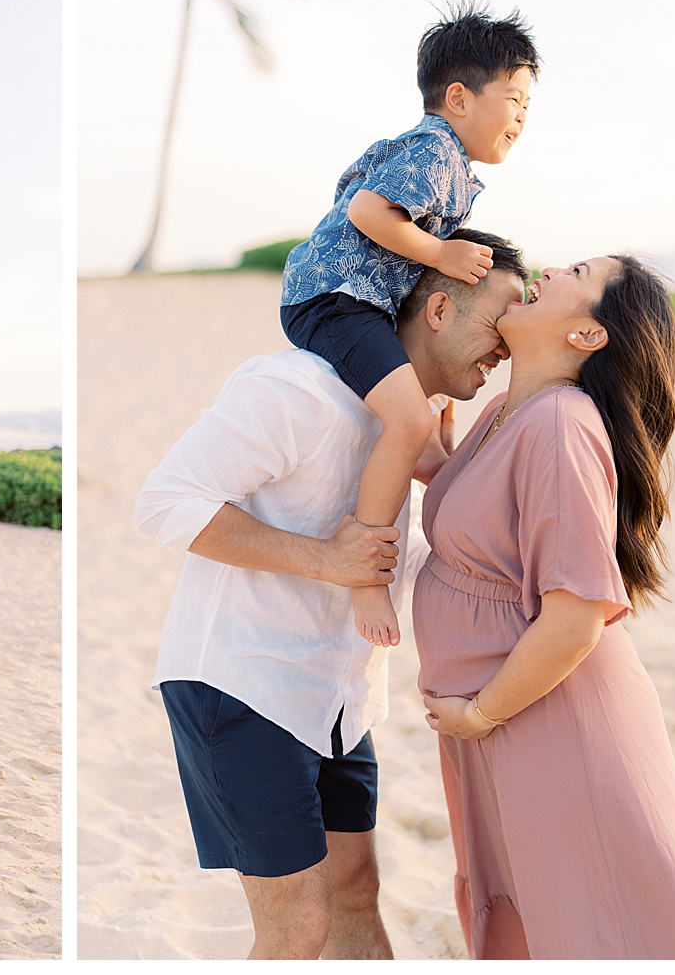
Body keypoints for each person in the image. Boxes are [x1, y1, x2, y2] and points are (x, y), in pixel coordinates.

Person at [135, 232, 529, 959]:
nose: (506, 343)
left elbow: (393, 561)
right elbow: (165, 503)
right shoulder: (296, 389)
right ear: (438, 307)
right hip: (240, 685)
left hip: (341, 699)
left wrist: (447, 485)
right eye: (498, 320)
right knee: (295, 930)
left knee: (355, 894)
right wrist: (326, 560)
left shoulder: (407, 421)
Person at [415, 256, 675, 959]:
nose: (547, 267)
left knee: (590, 923)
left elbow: (576, 617)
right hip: (502, 720)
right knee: (542, 916)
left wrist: (482, 711)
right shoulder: (506, 410)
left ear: (588, 335)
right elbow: (489, 522)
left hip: (547, 720)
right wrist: (435, 457)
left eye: (576, 271)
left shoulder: (562, 422)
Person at [279, 1, 539, 651]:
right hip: (336, 298)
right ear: (457, 96)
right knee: (410, 419)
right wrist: (440, 254)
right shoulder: (434, 150)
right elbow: (369, 210)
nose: (522, 118)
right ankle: (367, 572)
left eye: (528, 106)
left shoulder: (445, 160)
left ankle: (413, 467)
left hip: (351, 297)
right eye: (514, 99)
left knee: (415, 416)